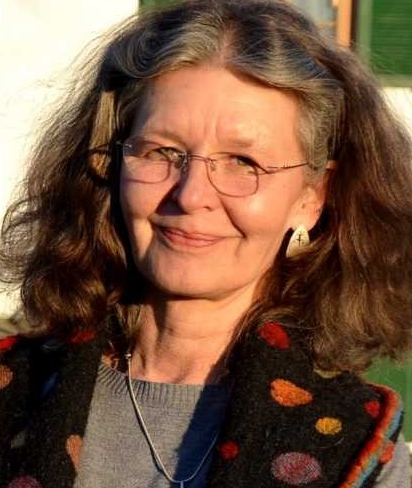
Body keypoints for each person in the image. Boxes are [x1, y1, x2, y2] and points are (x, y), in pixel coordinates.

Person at [0, 0, 411, 487]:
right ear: (111, 165)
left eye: (243, 162)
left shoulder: (357, 450)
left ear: (311, 199)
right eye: (163, 151)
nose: (192, 195)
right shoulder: (13, 392)